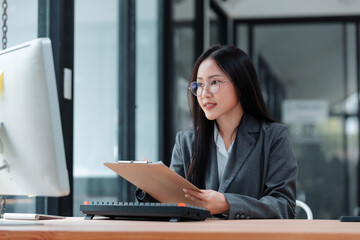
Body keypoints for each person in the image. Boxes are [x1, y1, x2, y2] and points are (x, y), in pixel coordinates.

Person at [137, 45, 297, 219]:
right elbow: (175, 205)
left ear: (241, 86)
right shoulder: (186, 141)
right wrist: (152, 185)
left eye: (214, 82)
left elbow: (283, 205)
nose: (204, 93)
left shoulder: (273, 137)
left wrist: (228, 204)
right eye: (199, 84)